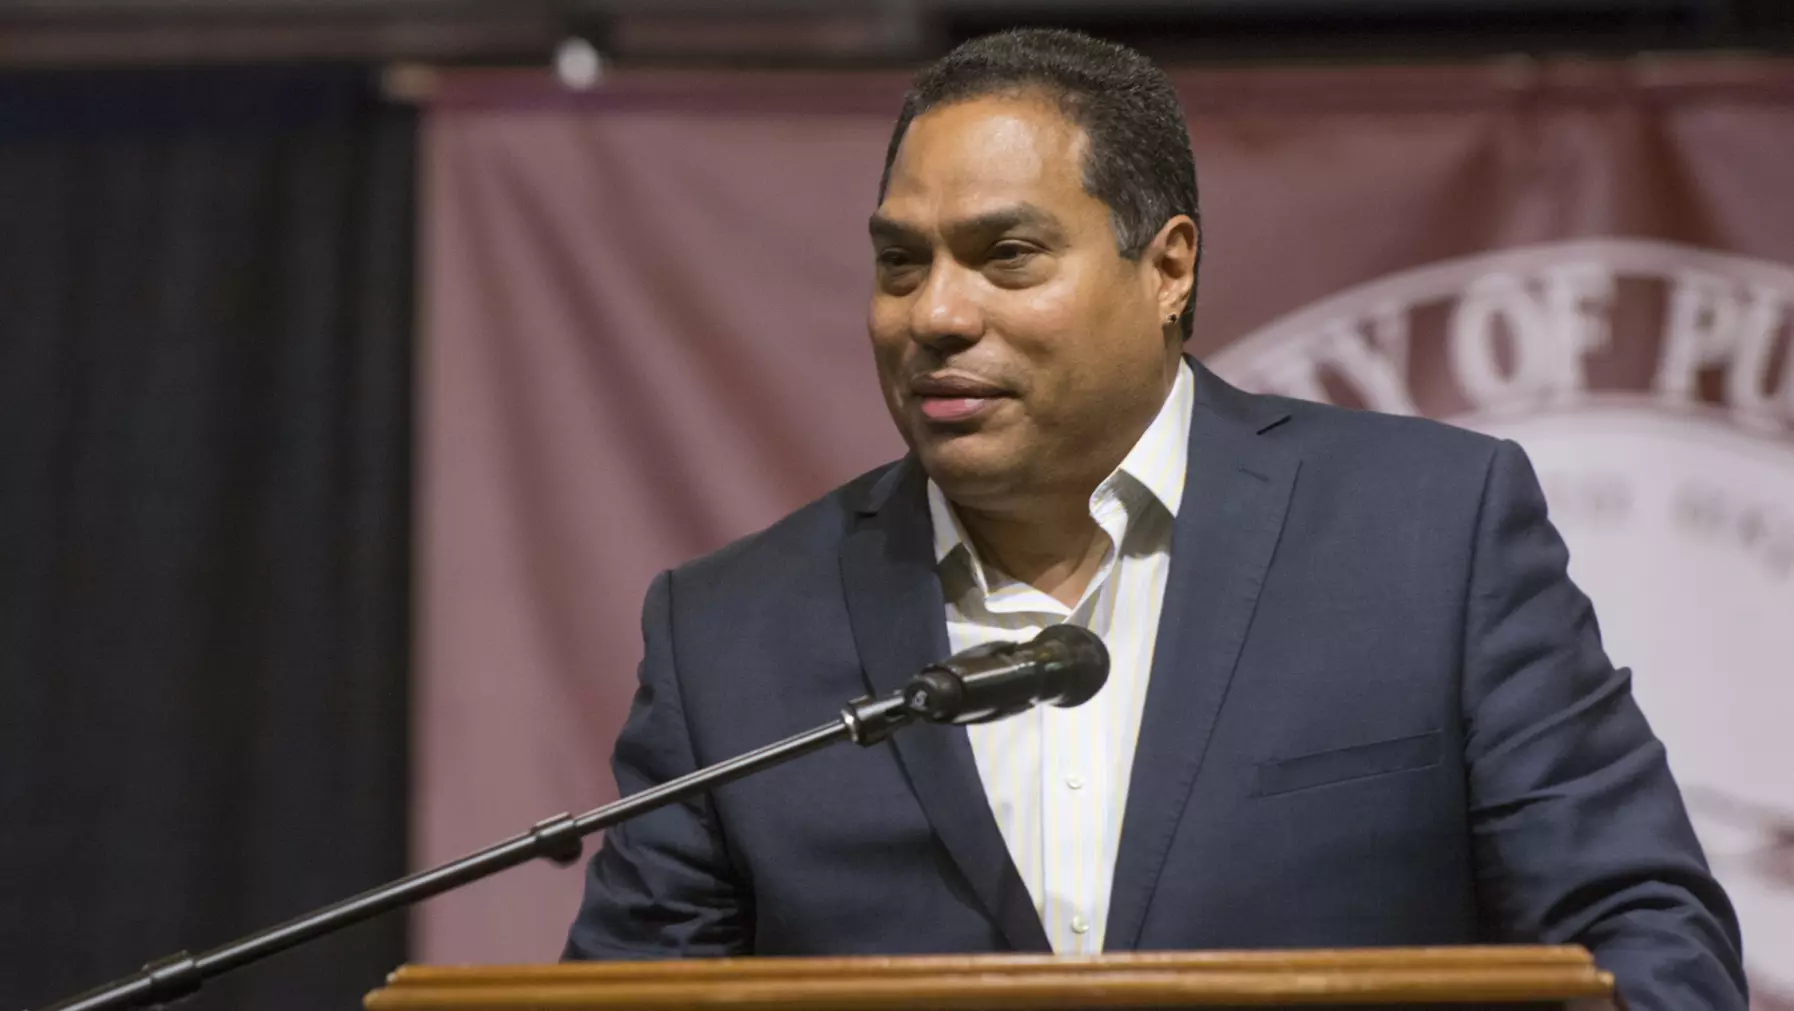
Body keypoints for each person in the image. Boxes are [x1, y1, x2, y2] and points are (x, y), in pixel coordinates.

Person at [563, 27, 1746, 1011]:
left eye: (1006, 256)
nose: (935, 313)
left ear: (1168, 267)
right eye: (898, 263)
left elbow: (1641, 938)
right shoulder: (731, 635)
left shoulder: (1428, 536)